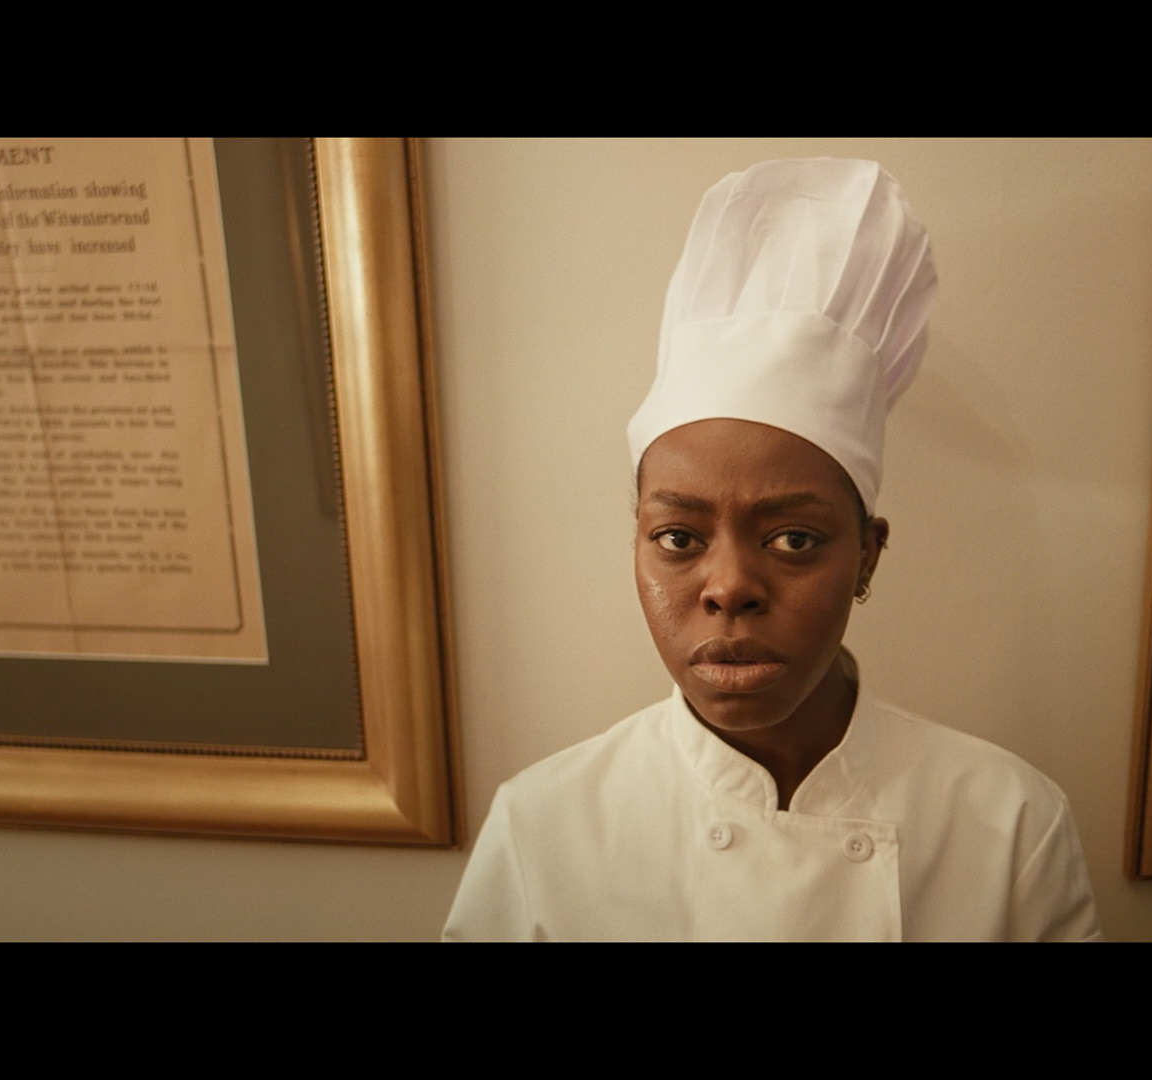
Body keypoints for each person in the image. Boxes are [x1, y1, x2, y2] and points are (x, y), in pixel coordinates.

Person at [443, 158, 1100, 941]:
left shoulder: (1010, 824)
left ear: (867, 556)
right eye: (678, 538)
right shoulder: (543, 829)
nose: (729, 587)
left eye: (793, 539)